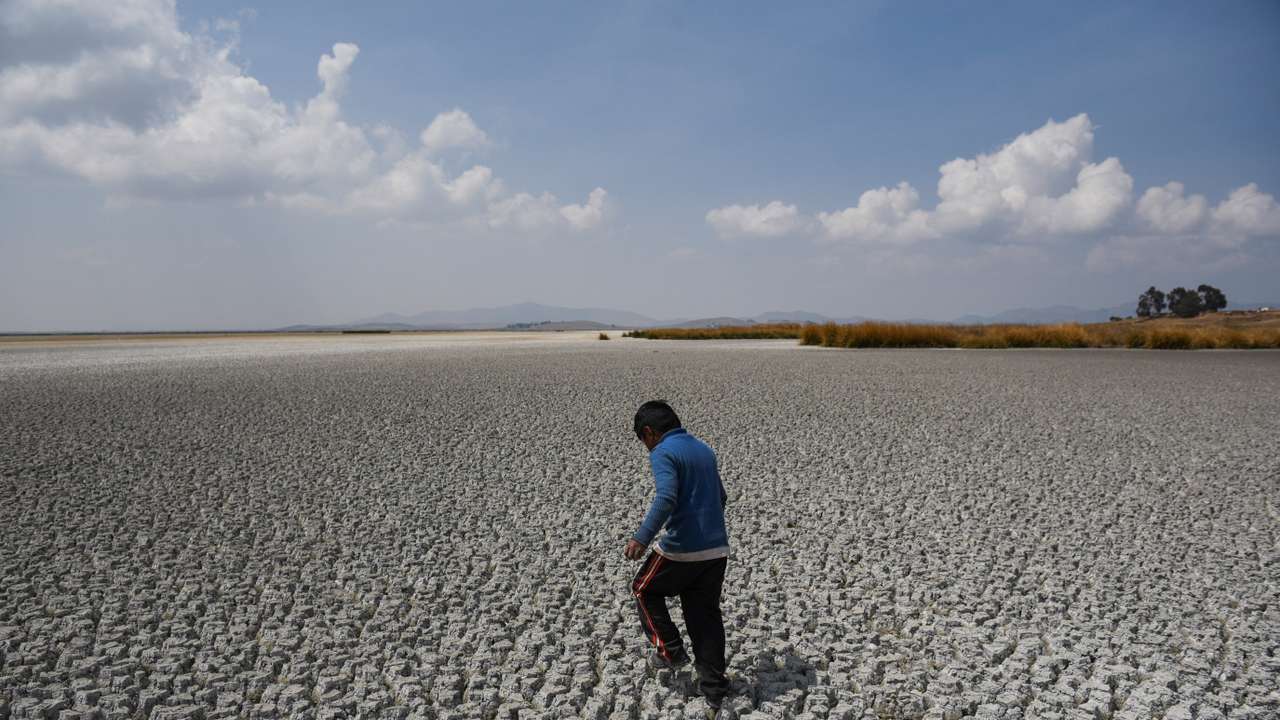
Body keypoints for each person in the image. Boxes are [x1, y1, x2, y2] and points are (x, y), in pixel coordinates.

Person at [625, 400, 731, 711]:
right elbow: (721, 497)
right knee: (705, 616)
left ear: (649, 433)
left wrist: (642, 538)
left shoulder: (663, 451)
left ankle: (670, 650)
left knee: (643, 589)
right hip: (717, 549)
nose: (645, 448)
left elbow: (666, 496)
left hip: (682, 548)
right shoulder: (703, 449)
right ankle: (715, 690)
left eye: (642, 441)